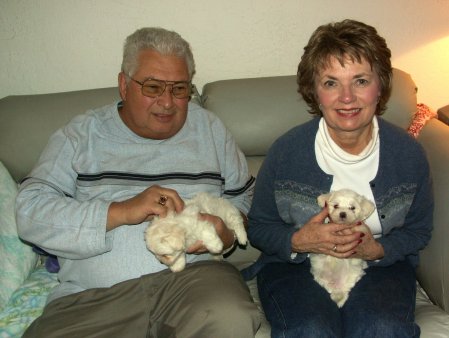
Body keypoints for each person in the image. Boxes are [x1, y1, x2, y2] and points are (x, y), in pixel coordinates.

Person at [16, 27, 260, 338]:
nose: (168, 102)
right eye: (153, 86)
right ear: (124, 85)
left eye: (179, 88)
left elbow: (246, 200)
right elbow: (29, 211)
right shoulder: (81, 135)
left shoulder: (210, 130)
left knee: (230, 317)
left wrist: (225, 232)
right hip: (93, 298)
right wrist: (120, 211)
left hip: (196, 286)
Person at [242, 19, 433, 337]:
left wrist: (378, 250)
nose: (347, 97)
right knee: (310, 328)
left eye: (360, 81)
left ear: (380, 86)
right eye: (331, 82)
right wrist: (298, 241)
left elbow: (418, 231)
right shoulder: (286, 151)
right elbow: (260, 228)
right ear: (315, 91)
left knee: (380, 328)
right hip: (296, 268)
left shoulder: (408, 154)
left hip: (378, 268)